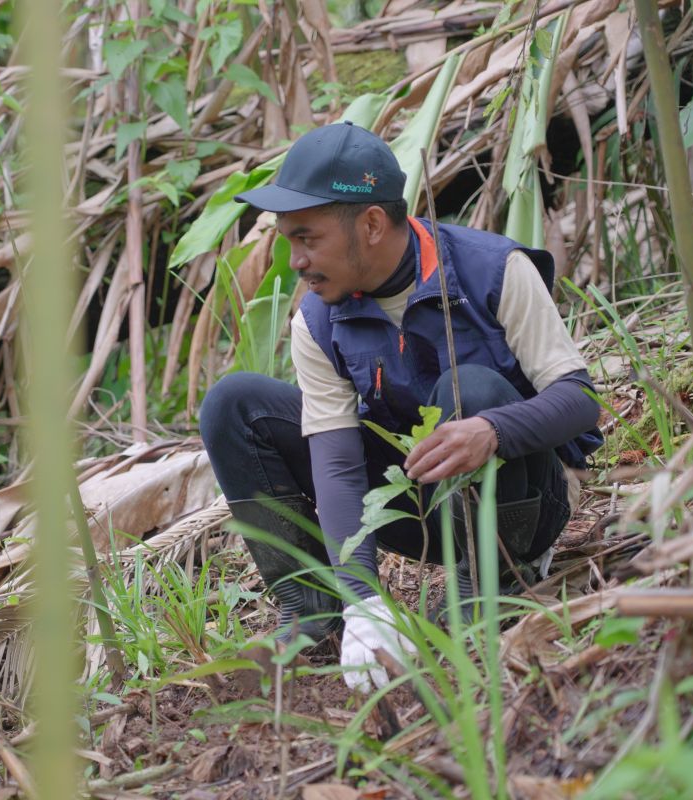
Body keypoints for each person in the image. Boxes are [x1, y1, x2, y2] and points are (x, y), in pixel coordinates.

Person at [198, 121, 603, 692]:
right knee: (234, 404)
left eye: (307, 238)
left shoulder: (494, 271)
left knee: (474, 390)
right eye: (289, 240)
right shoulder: (316, 322)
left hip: (519, 502)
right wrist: (363, 600)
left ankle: (490, 585)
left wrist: (493, 429)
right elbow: (337, 464)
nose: (295, 261)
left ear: (370, 223)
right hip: (409, 506)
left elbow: (580, 399)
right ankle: (313, 611)